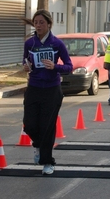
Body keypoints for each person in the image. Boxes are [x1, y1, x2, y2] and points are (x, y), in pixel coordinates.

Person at [22, 9, 73, 175]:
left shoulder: (57, 44)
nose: (38, 25)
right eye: (36, 22)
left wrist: (55, 67)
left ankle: (47, 161)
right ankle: (37, 144)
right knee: (29, 124)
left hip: (52, 89)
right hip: (34, 87)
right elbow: (25, 62)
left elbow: (69, 67)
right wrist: (26, 67)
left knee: (47, 126)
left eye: (41, 22)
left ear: (49, 24)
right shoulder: (30, 43)